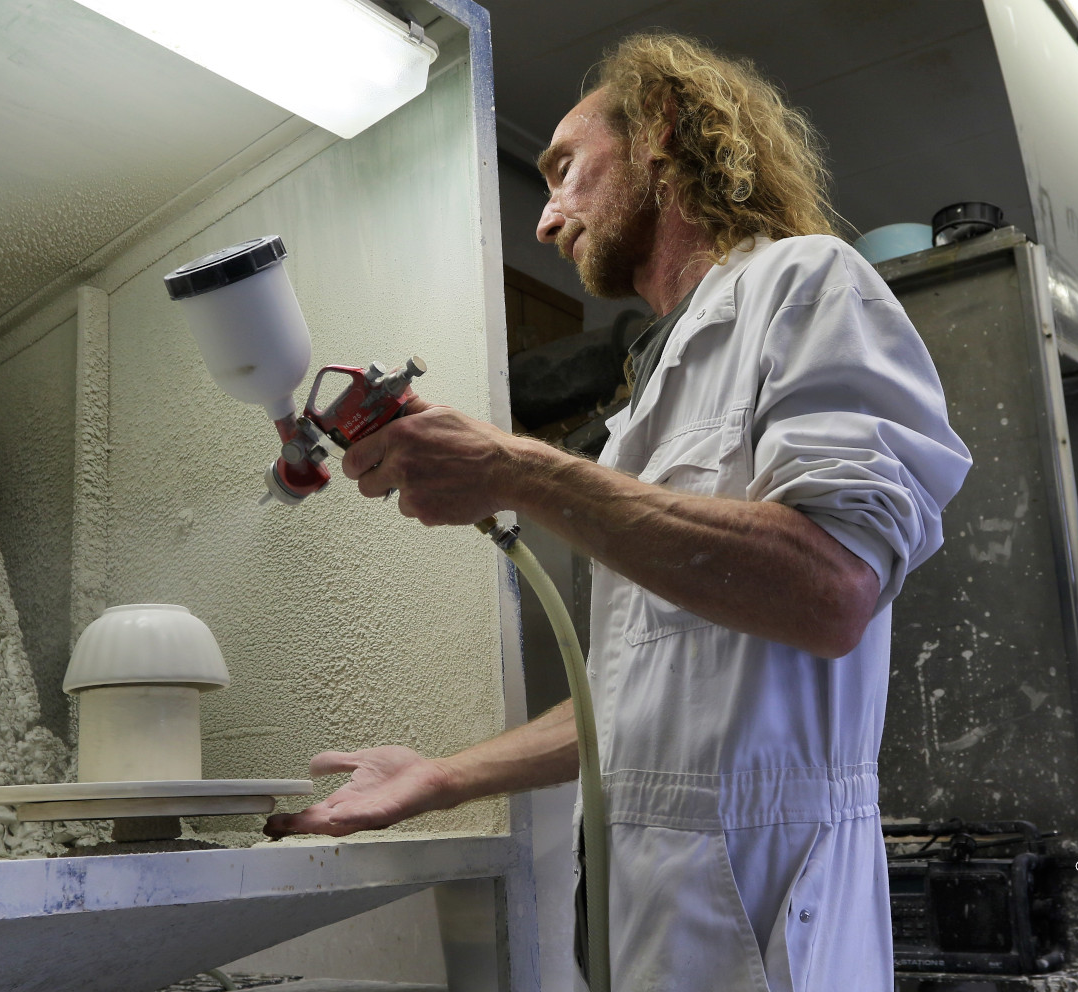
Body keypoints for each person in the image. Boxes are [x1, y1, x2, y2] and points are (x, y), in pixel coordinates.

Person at [265, 32, 972, 992]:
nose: (546, 221)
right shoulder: (648, 397)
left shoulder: (807, 283)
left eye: (563, 168)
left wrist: (521, 470)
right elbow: (642, 700)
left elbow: (831, 590)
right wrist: (443, 777)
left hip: (764, 918)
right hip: (637, 912)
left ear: (660, 130)